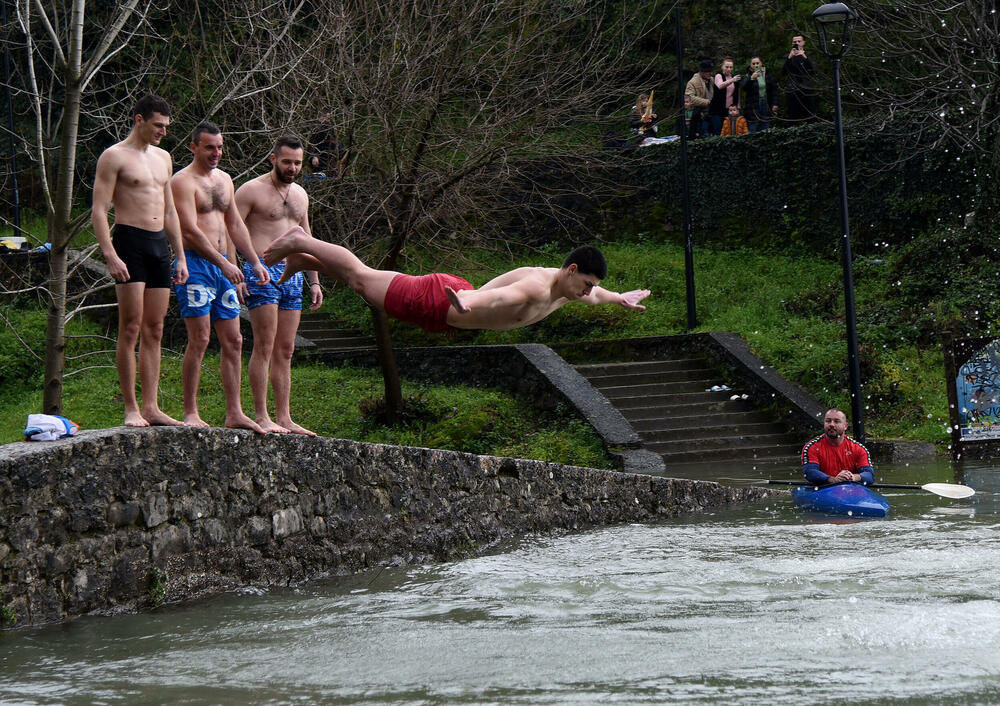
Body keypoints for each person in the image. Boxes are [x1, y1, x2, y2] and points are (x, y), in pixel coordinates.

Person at [262, 235, 650, 333]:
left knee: (364, 287)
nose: (587, 291)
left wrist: (619, 298)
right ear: (571, 269)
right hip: (442, 301)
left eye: (591, 286)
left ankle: (304, 261)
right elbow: (498, 296)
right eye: (586, 282)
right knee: (361, 279)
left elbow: (597, 297)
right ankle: (301, 241)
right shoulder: (537, 287)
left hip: (449, 303)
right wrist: (466, 304)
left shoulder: (568, 290)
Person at [92, 94, 189, 428]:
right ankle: (131, 407)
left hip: (158, 243)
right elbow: (99, 210)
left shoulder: (164, 158)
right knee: (131, 325)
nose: (163, 131)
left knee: (156, 328)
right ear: (139, 120)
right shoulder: (114, 156)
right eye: (158, 125)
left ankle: (152, 406)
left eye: (166, 126)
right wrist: (110, 254)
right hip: (129, 241)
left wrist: (180, 256)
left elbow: (170, 210)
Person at [170, 121, 271, 433]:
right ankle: (190, 411)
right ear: (194, 147)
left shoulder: (225, 180)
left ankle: (234, 412)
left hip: (225, 266)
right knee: (199, 338)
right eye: (209, 147)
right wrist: (223, 263)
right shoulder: (181, 181)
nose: (216, 153)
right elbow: (189, 229)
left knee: (235, 339)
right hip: (196, 265)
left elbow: (235, 225)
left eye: (220, 147)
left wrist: (252, 262)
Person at [235, 135, 323, 436]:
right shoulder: (250, 190)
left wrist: (314, 280)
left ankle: (284, 416)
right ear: (273, 159)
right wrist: (235, 272)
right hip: (262, 271)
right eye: (287, 162)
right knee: (265, 345)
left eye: (297, 163)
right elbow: (229, 228)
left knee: (285, 350)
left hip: (294, 274)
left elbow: (306, 237)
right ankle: (261, 415)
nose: (293, 168)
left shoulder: (300, 195)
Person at [801, 408, 874, 485]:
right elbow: (810, 472)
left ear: (845, 426)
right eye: (828, 421)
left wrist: (853, 477)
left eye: (836, 421)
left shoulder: (859, 449)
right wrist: (833, 480)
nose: (831, 424)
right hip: (822, 488)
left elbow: (869, 476)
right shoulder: (812, 447)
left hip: (851, 489)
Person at [739, 57, 779, 132]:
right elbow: (744, 87)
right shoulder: (748, 75)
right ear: (750, 65)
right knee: (753, 127)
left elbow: (774, 90)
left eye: (757, 63)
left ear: (761, 63)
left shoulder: (767, 74)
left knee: (765, 125)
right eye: (753, 63)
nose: (756, 65)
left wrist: (775, 103)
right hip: (753, 106)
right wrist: (751, 78)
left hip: (766, 103)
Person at [783, 35, 817, 123]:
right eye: (795, 42)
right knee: (793, 115)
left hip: (807, 89)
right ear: (792, 43)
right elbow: (783, 72)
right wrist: (789, 57)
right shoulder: (788, 57)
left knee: (810, 114)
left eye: (799, 41)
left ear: (803, 42)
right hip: (792, 89)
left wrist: (804, 56)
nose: (797, 43)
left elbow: (814, 70)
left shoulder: (809, 55)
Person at [707, 57, 741, 136]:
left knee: (728, 132)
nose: (729, 69)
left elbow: (736, 93)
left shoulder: (733, 77)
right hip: (717, 109)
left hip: (729, 110)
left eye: (731, 67)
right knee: (718, 131)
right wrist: (732, 80)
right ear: (722, 67)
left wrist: (738, 107)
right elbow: (720, 86)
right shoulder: (719, 75)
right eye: (726, 67)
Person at [684, 59, 715, 138]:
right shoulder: (692, 82)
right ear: (701, 72)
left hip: (712, 114)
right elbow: (690, 98)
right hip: (698, 116)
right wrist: (707, 102)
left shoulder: (712, 80)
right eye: (708, 71)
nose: (710, 73)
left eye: (711, 71)